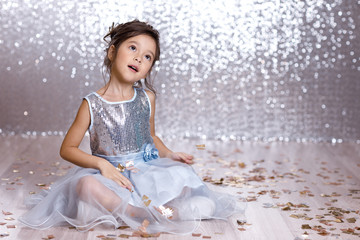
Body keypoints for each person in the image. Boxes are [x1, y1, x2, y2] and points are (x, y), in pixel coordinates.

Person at [19, 19, 244, 235]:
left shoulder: (147, 98)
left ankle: (164, 211)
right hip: (110, 175)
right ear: (112, 52)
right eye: (133, 48)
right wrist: (101, 164)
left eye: (147, 57)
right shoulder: (92, 103)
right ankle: (134, 212)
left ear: (149, 68)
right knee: (85, 185)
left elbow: (151, 136)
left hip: (145, 170)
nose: (138, 58)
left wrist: (169, 154)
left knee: (184, 176)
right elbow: (67, 149)